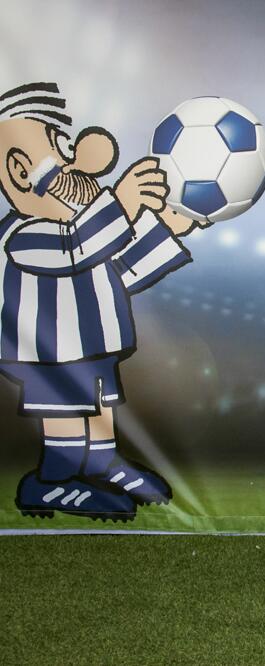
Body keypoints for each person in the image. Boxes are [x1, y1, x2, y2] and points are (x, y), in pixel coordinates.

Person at [0, 82, 204, 521]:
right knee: (67, 412)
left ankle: (104, 461)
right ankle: (51, 482)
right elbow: (74, 248)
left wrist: (167, 229)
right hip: (50, 353)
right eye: (60, 150)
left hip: (92, 345)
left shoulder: (81, 229)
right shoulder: (23, 234)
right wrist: (124, 204)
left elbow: (119, 271)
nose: (78, 163)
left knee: (98, 406)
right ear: (20, 171)